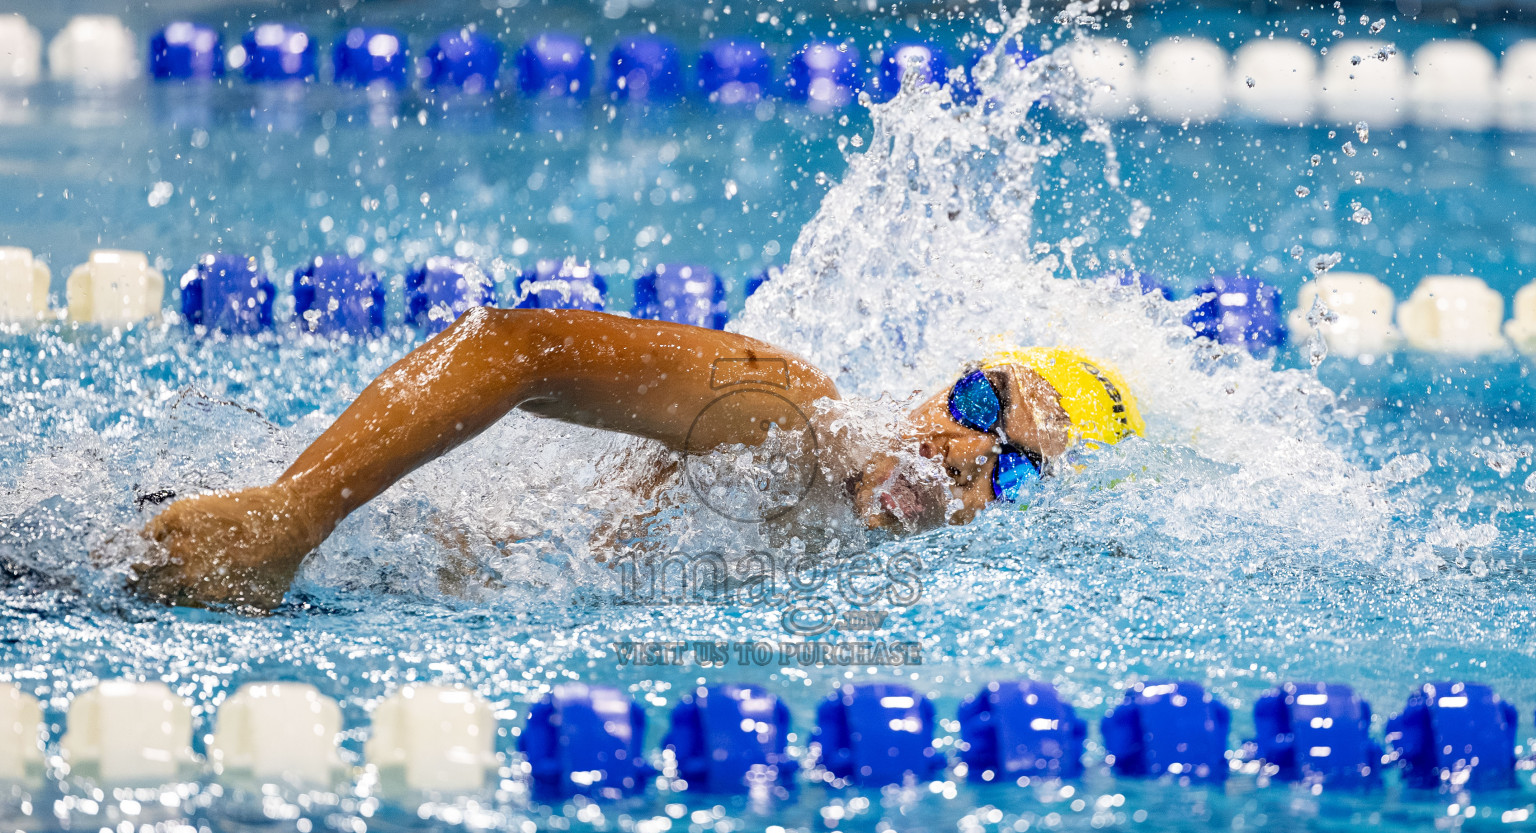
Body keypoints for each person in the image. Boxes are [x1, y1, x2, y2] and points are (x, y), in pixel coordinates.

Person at [131, 307, 1143, 611]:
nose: (962, 450)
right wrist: (292, 515)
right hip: (327, 558)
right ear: (936, 382)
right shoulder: (790, 414)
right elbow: (512, 347)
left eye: (1009, 469)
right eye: (974, 401)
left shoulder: (901, 589)